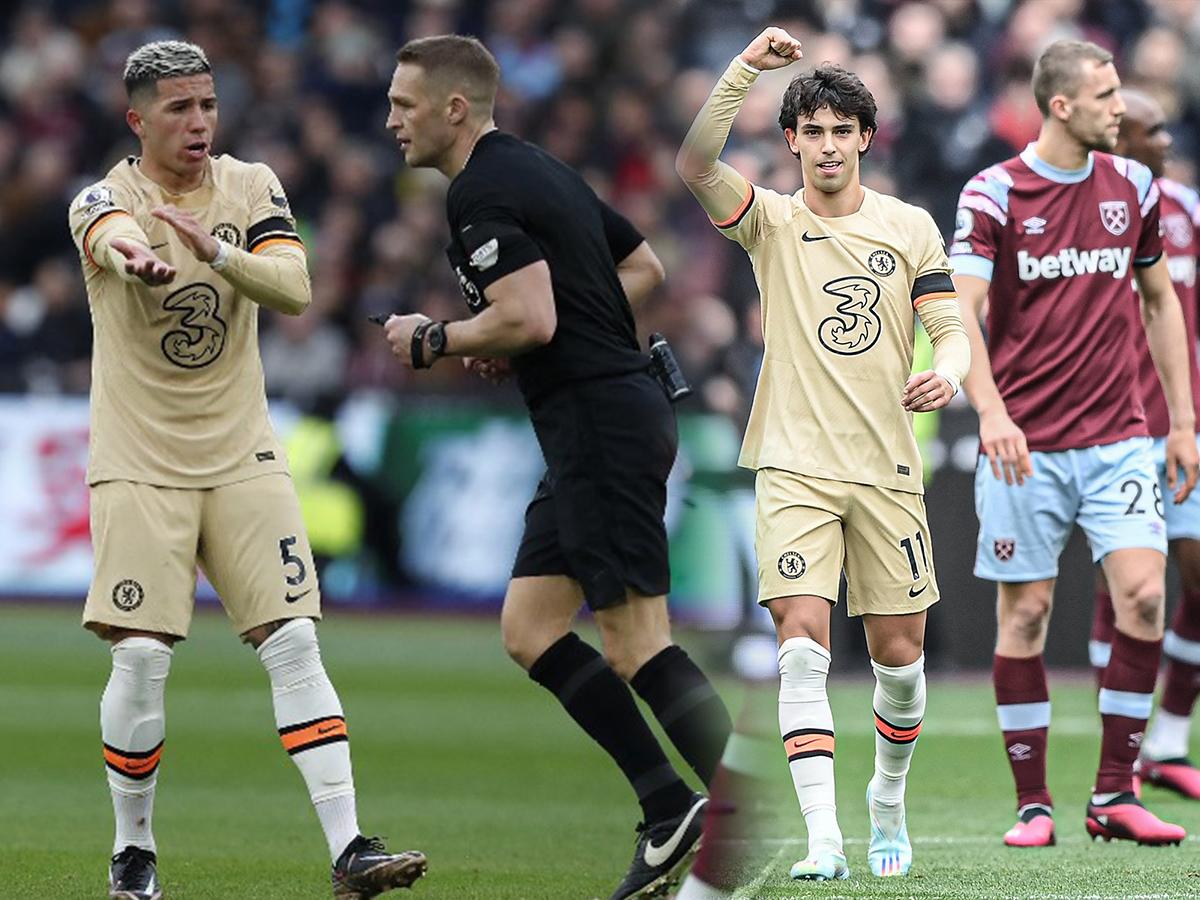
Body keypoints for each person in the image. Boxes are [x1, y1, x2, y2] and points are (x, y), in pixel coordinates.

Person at [68, 41, 425, 900]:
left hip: (241, 454)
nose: (198, 124)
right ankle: (134, 855)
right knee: (145, 658)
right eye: (179, 110)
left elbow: (296, 287)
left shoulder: (252, 184)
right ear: (137, 119)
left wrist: (215, 253)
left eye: (207, 106)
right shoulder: (104, 198)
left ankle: (350, 851)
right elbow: (111, 237)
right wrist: (139, 256)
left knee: (296, 642)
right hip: (139, 459)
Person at [380, 34, 732, 900]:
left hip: (598, 423)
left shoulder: (479, 191)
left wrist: (436, 338)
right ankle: (667, 809)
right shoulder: (537, 167)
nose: (391, 119)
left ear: (453, 108)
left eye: (403, 104)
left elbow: (529, 319)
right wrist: (543, 324)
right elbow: (639, 267)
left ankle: (764, 816)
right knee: (531, 628)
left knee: (638, 645)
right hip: (607, 415)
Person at [676, 27, 970, 882]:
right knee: (801, 646)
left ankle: (885, 799)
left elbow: (950, 332)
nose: (830, 145)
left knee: (900, 666)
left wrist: (946, 377)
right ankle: (823, 839)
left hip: (886, 471)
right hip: (795, 467)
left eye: (845, 130)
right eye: (814, 131)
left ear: (865, 139)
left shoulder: (909, 227)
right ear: (793, 140)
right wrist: (741, 72)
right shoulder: (770, 220)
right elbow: (695, 165)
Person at [951, 39, 1199, 848]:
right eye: (1105, 95)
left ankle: (1113, 794)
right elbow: (961, 311)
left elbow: (1161, 304)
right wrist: (990, 413)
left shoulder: (1133, 185)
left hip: (1121, 437)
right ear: (1061, 106)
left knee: (1146, 597)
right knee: (1025, 615)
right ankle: (1033, 805)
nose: (1120, 108)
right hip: (1026, 443)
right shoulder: (994, 193)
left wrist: (1184, 422)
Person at [1090, 89, 1200, 798]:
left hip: (1185, 427)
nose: (1167, 138)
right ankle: (1121, 759)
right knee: (1125, 591)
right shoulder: (1085, 213)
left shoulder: (1188, 208)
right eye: (1151, 129)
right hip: (1112, 427)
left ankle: (1166, 740)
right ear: (1120, 138)